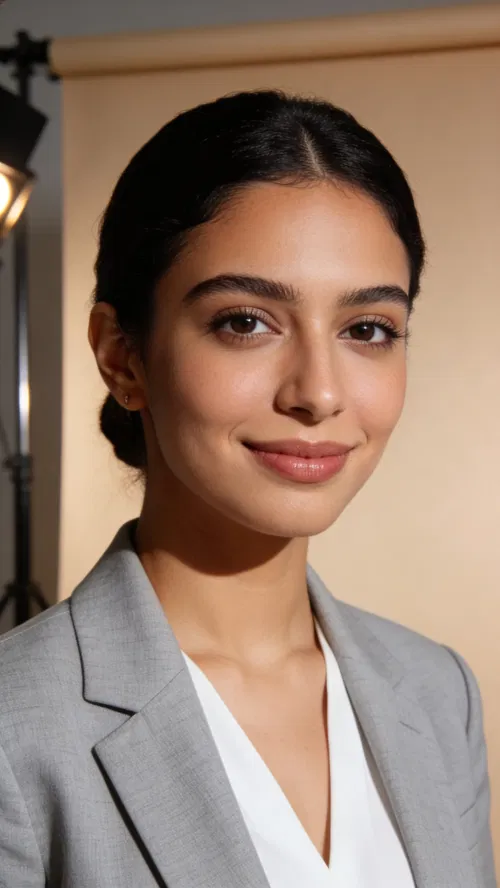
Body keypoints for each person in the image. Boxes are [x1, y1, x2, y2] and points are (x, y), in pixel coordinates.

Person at [0, 89, 496, 888]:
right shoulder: (16, 731)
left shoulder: (439, 692)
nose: (319, 393)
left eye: (367, 329)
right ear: (122, 356)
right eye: (246, 322)